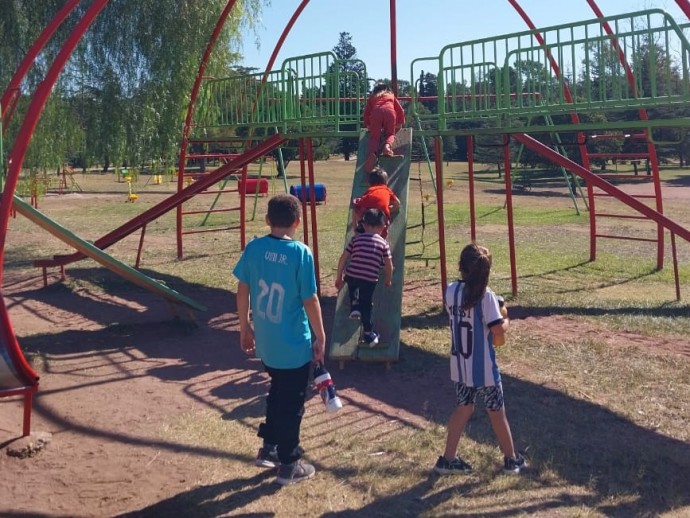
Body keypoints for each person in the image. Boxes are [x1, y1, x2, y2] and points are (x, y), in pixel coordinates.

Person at [233, 194, 326, 486]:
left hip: (268, 343)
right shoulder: (301, 253)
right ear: (297, 222)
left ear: (267, 220)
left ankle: (270, 446)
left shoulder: (255, 248)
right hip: (294, 345)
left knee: (277, 391)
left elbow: (242, 289)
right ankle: (289, 462)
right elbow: (310, 299)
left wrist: (244, 326)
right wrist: (321, 335)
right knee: (293, 403)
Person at [434, 243, 526, 475]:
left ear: (460, 267)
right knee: (497, 412)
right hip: (484, 369)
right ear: (486, 272)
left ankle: (448, 458)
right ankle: (512, 459)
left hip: (461, 367)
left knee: (464, 408)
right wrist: (507, 318)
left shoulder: (451, 290)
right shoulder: (486, 297)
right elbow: (497, 331)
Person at [335, 208, 393, 347]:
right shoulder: (383, 243)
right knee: (367, 305)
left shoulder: (356, 239)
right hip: (369, 279)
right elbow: (389, 265)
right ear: (382, 227)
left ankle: (354, 306)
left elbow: (343, 258)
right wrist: (388, 279)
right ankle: (369, 334)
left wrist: (339, 277)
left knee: (354, 289)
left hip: (352, 275)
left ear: (364, 225)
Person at [363, 82, 405, 171]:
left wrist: (368, 124)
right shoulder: (390, 95)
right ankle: (387, 146)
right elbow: (400, 110)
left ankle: (373, 153)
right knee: (390, 133)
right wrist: (400, 122)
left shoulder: (373, 97)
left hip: (376, 113)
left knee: (374, 138)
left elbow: (366, 112)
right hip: (389, 112)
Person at [351, 167, 401, 239]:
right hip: (383, 219)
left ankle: (356, 230)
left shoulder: (370, 190)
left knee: (355, 206)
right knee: (382, 234)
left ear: (369, 183)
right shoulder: (387, 190)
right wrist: (389, 209)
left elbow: (359, 203)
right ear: (386, 182)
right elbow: (397, 203)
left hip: (368, 218)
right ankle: (383, 241)